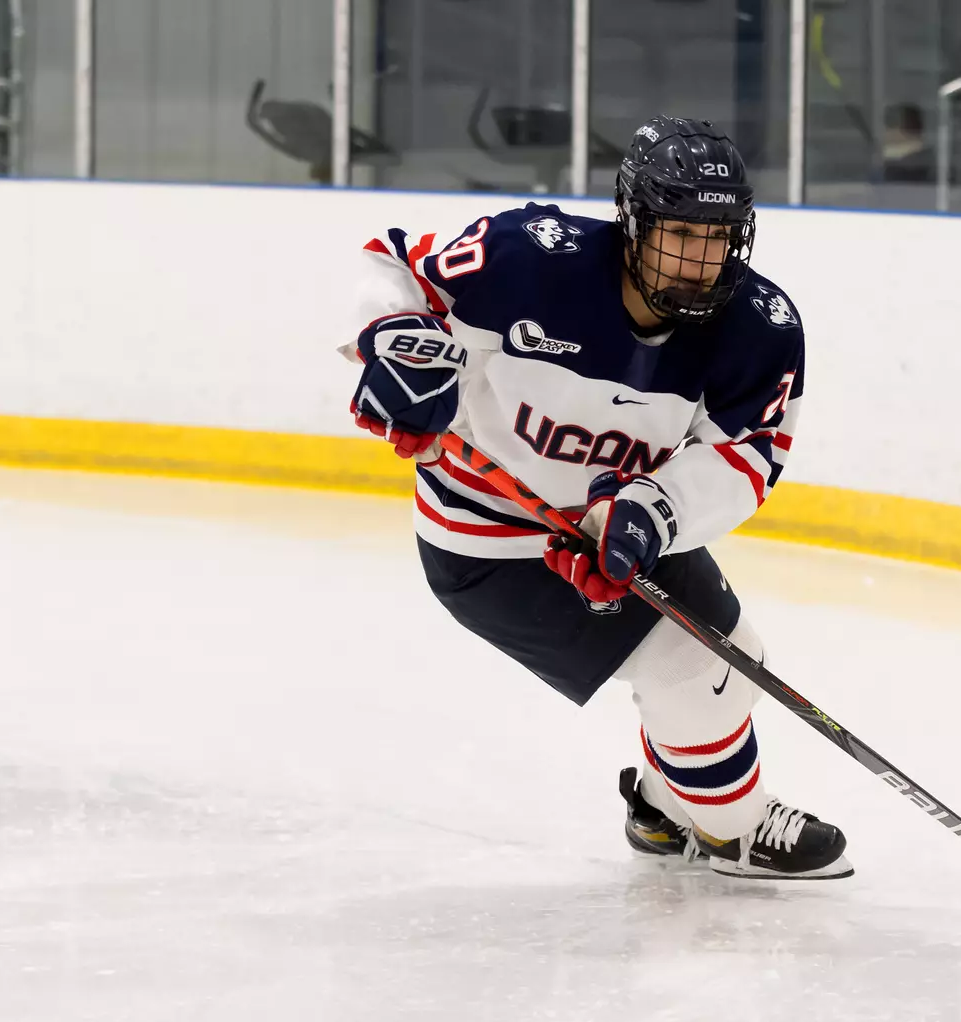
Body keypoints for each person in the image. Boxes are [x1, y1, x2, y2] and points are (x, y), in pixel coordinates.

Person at [339, 116, 852, 879]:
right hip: (491, 542)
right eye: (680, 233)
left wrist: (651, 511)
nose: (700, 261)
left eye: (718, 239)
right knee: (689, 667)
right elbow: (398, 272)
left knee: (731, 661)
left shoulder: (759, 328)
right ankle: (732, 831)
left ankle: (661, 809)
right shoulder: (528, 260)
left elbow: (744, 460)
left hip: (613, 516)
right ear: (634, 223)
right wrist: (397, 345)